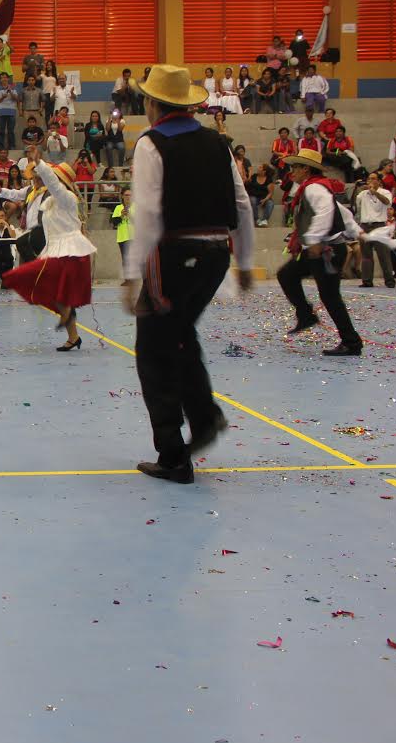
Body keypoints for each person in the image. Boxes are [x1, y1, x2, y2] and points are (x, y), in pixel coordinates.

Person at [121, 65, 255, 485]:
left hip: (174, 253)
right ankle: (204, 417)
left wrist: (131, 274)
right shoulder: (218, 142)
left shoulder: (151, 143)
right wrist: (245, 262)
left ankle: (175, 454)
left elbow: (146, 212)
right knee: (179, 334)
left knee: (153, 350)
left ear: (153, 103)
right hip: (215, 255)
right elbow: (242, 203)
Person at [0, 157, 95, 350]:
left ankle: (68, 320)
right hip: (56, 250)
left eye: (55, 179)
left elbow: (53, 184)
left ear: (61, 182)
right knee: (60, 296)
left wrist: (38, 163)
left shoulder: (67, 198)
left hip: (70, 251)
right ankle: (73, 336)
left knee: (50, 289)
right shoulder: (50, 201)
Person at [276, 148, 363, 357]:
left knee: (330, 296)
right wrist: (357, 232)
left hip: (325, 250)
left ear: (306, 169)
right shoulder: (315, 187)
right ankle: (306, 315)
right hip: (321, 249)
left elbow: (326, 210)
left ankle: (351, 342)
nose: (291, 172)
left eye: (295, 167)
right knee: (287, 275)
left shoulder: (314, 189)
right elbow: (341, 211)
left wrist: (314, 238)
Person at [354, 172, 395, 288]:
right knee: (366, 255)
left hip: (379, 225)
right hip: (365, 225)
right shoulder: (362, 194)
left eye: (373, 179)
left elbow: (387, 202)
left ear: (379, 181)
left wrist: (374, 192)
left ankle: (389, 280)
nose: (370, 181)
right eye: (368, 179)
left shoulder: (385, 192)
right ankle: (367, 281)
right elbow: (357, 207)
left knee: (383, 254)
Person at [111, 188, 133, 283]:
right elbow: (114, 223)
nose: (128, 197)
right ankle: (127, 280)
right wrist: (121, 216)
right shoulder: (118, 208)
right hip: (123, 237)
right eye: (126, 195)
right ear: (122, 196)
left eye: (130, 195)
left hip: (134, 236)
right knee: (125, 258)